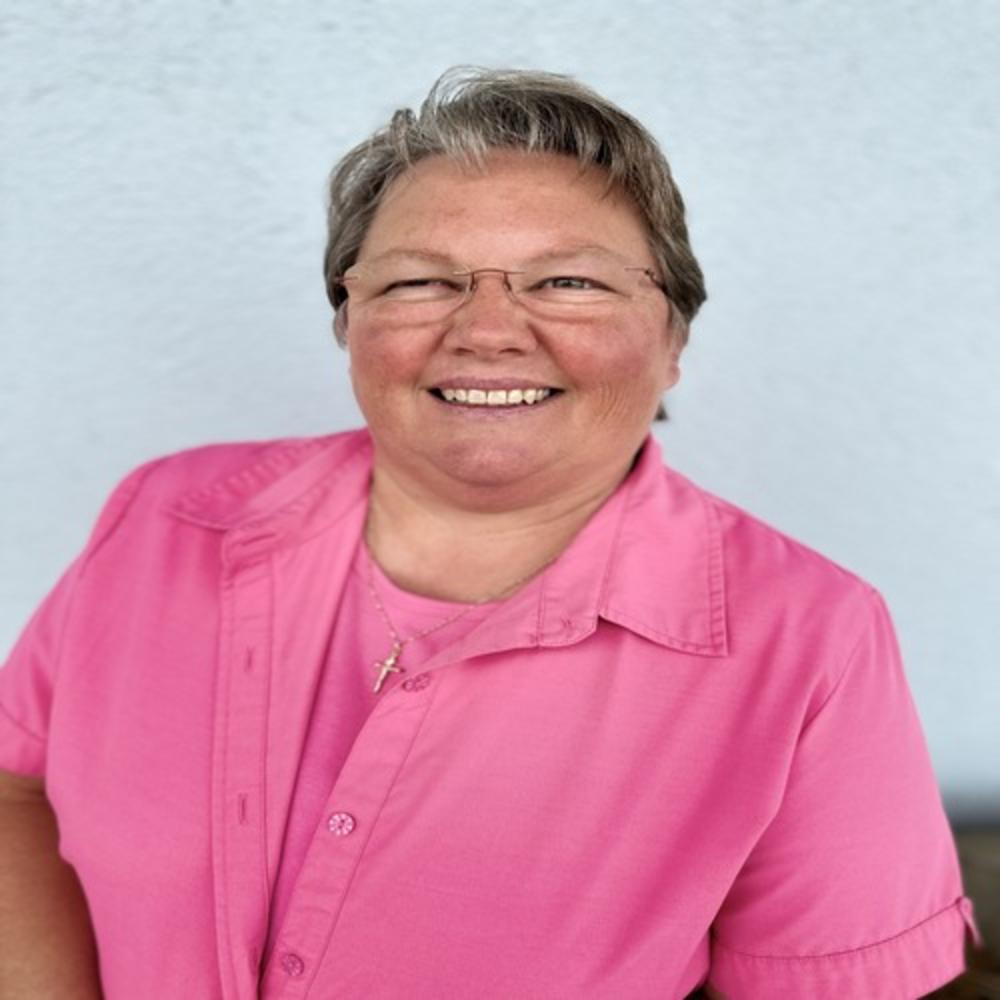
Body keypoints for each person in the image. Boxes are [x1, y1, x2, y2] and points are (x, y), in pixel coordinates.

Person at [0, 68, 978, 1000]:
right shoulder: (169, 516)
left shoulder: (809, 638)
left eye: (566, 283)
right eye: (420, 283)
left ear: (672, 338)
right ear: (350, 323)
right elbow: (14, 793)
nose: (487, 330)